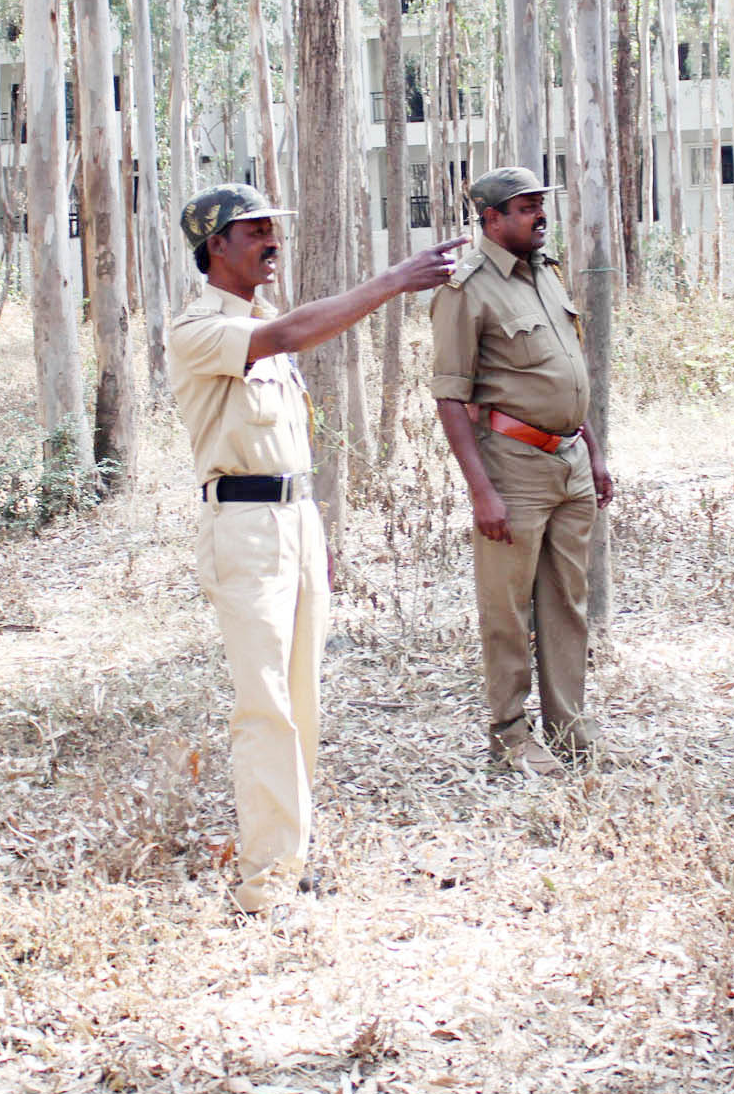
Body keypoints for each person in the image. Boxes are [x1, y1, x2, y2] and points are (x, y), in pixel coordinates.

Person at [166, 183, 463, 915]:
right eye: (254, 230)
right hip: (241, 528)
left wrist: (313, 532)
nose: (272, 240)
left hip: (293, 522)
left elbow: (289, 442)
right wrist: (393, 280)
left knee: (302, 694)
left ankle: (289, 856)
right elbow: (292, 336)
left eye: (274, 226)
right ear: (215, 247)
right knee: (264, 701)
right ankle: (265, 882)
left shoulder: (265, 321)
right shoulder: (198, 328)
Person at [429, 167, 615, 778]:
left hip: (570, 462)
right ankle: (510, 737)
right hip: (512, 468)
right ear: (490, 218)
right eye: (525, 206)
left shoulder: (546, 274)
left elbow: (564, 373)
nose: (539, 214)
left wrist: (592, 450)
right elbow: (451, 397)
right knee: (506, 608)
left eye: (540, 203)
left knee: (567, 600)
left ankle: (569, 726)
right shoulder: (466, 289)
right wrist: (481, 490)